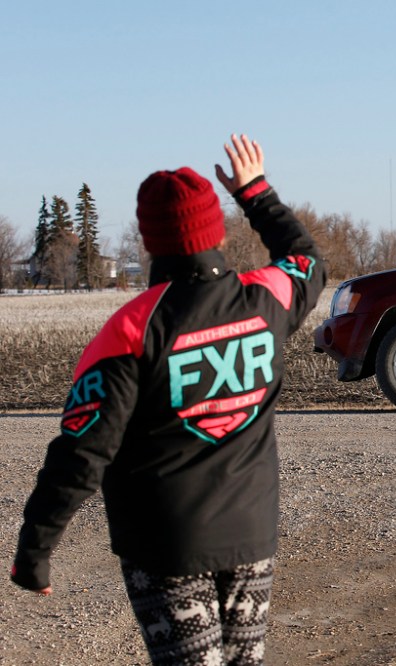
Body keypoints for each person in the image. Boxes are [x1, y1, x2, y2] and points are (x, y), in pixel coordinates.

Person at [10, 134, 327, 665]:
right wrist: (255, 191)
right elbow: (307, 260)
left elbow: (83, 453)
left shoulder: (133, 329)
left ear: (148, 238)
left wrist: (35, 550)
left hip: (165, 545)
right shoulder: (268, 296)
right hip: (250, 534)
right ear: (216, 228)